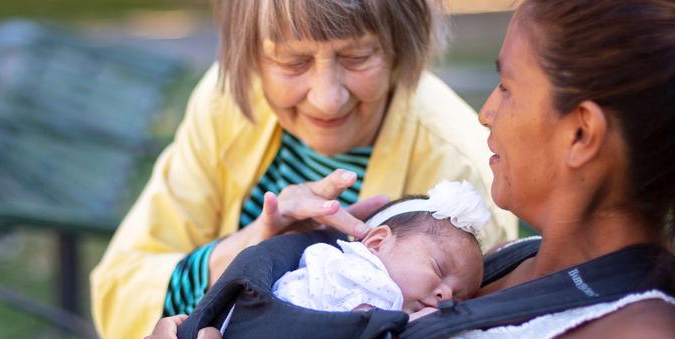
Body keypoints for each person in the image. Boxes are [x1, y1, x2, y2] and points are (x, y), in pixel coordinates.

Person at [147, 0, 675, 338]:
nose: (483, 113)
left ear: (580, 132)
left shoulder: (632, 330)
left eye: (505, 86)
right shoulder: (508, 261)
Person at [89, 0, 518, 337]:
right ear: (250, 55)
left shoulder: (457, 168)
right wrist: (246, 249)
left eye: (357, 57)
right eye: (293, 62)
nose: (326, 98)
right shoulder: (225, 102)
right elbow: (121, 284)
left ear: (403, 45)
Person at [272, 181, 489, 319]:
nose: (446, 296)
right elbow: (357, 324)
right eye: (438, 268)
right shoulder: (353, 272)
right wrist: (410, 324)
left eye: (459, 299)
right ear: (377, 243)